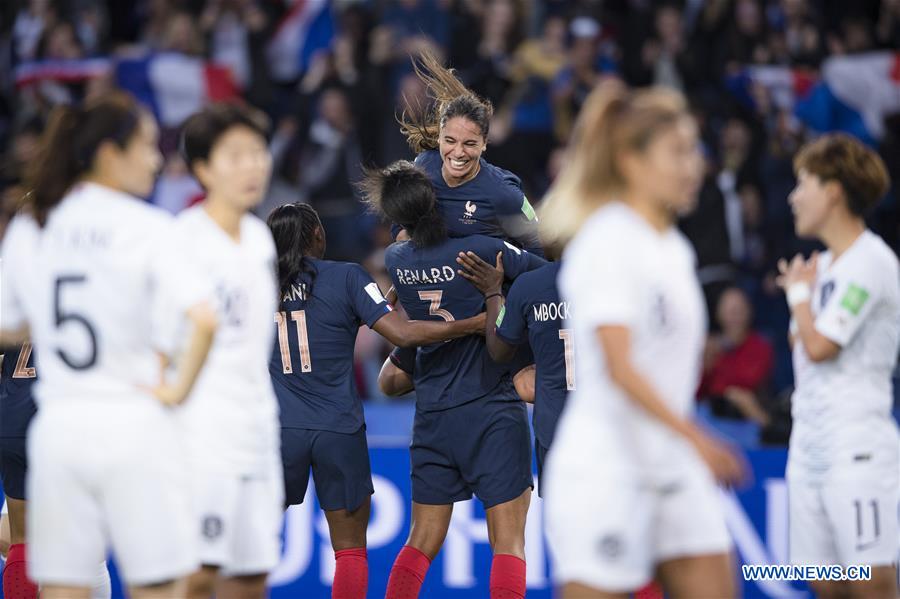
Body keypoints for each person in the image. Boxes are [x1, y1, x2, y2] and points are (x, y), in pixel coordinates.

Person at [0, 92, 217, 599]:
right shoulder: (149, 228)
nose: (158, 158)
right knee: (157, 583)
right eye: (145, 145)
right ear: (108, 153)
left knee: (62, 584)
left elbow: (8, 325)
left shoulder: (33, 228)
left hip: (59, 432)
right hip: (130, 428)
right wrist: (175, 392)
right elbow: (202, 321)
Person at [539, 82, 745, 599]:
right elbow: (619, 366)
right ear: (631, 162)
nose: (693, 165)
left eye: (695, 149)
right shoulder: (607, 239)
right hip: (607, 468)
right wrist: (699, 438)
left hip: (671, 463)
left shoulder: (674, 247)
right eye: (677, 152)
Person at [266, 202, 485, 599]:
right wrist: (473, 324)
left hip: (279, 431)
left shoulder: (257, 286)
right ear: (318, 234)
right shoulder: (347, 276)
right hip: (339, 429)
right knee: (350, 552)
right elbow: (401, 335)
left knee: (253, 549)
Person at [360, 160, 545, 599]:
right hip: (491, 407)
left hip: (433, 413)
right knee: (509, 542)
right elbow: (544, 270)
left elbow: (391, 378)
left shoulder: (396, 259)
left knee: (421, 541)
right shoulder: (481, 248)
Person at [777, 133, 898, 598]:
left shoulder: (872, 261)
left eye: (803, 182)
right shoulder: (821, 265)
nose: (793, 197)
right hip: (809, 447)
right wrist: (801, 298)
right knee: (827, 590)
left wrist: (798, 295)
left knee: (872, 587)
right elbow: (799, 342)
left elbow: (822, 345)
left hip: (858, 449)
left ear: (833, 191)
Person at [176, 103, 284, 599]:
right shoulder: (182, 241)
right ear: (202, 168)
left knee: (250, 578)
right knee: (196, 575)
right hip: (201, 435)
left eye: (258, 153)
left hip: (257, 431)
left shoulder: (261, 239)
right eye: (235, 155)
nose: (253, 166)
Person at [397, 49, 543, 256]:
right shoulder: (423, 167)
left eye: (470, 143)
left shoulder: (503, 191)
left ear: (484, 143)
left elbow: (538, 250)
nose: (458, 152)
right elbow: (400, 224)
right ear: (439, 137)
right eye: (450, 140)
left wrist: (500, 284)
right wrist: (406, 237)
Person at [454, 249, 570, 496]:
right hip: (612, 429)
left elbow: (498, 350)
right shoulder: (620, 282)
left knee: (564, 527)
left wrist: (494, 292)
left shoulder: (529, 285)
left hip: (555, 429)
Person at [698, 286, 774, 425]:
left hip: (747, 416)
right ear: (718, 313)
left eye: (739, 310)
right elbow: (697, 391)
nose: (735, 316)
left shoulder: (760, 346)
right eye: (730, 311)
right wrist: (706, 363)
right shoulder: (710, 346)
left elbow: (749, 380)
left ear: (749, 312)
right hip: (711, 416)